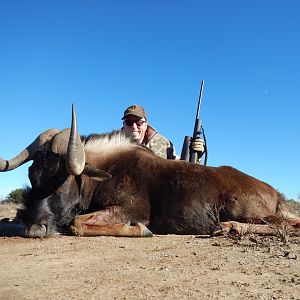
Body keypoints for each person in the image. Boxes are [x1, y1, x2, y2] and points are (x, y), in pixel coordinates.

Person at [121, 104, 205, 161]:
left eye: (138, 122)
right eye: (129, 122)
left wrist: (197, 156)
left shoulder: (164, 144)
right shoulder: (112, 146)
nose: (134, 127)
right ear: (124, 125)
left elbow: (181, 168)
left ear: (146, 124)